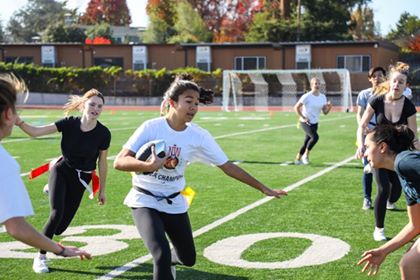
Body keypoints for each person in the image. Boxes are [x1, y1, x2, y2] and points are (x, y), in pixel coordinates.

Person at [113, 77, 287, 280]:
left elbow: (228, 166)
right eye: (188, 101)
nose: (194, 107)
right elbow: (119, 161)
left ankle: (172, 260)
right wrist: (148, 166)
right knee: (160, 253)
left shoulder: (199, 136)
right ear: (172, 102)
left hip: (174, 201)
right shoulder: (151, 127)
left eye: (196, 103)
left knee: (188, 258)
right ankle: (166, 261)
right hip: (145, 199)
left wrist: (263, 188)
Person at [0, 74, 91, 267]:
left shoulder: (101, 132)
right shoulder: (4, 163)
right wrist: (61, 249)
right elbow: (16, 227)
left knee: (61, 221)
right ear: (8, 114)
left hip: (77, 177)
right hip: (64, 171)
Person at [16, 88, 111, 273]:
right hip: (62, 170)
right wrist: (19, 122)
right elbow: (36, 132)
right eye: (92, 104)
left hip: (82, 178)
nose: (96, 109)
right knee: (56, 213)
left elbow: (103, 162)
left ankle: (50, 190)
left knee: (60, 228)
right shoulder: (69, 123)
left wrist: (102, 190)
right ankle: (40, 257)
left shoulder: (103, 133)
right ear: (83, 105)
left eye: (100, 106)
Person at [356, 62, 420, 241]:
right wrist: (361, 145)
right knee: (383, 188)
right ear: (389, 83)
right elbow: (362, 125)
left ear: (406, 86)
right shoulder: (377, 100)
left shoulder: (408, 106)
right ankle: (379, 229)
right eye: (395, 81)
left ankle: (391, 201)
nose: (397, 85)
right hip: (380, 151)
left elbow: (413, 135)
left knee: (397, 190)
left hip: (397, 154)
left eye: (401, 82)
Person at [358, 124, 420, 278]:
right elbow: (416, 224)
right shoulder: (403, 174)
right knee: (409, 263)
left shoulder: (404, 161)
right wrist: (383, 250)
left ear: (382, 147)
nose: (364, 153)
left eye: (367, 147)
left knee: (411, 262)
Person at [356, 66, 386, 210]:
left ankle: (387, 198)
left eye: (380, 75)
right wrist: (362, 126)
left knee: (385, 167)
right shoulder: (364, 94)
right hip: (367, 133)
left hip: (383, 133)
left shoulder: (388, 93)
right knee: (367, 167)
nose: (377, 78)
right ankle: (367, 198)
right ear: (369, 79)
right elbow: (359, 113)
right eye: (374, 76)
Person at [294, 77, 332, 165]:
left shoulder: (323, 97)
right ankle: (305, 156)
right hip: (305, 122)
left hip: (315, 122)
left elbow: (325, 112)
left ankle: (297, 159)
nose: (317, 85)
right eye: (315, 83)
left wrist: (329, 107)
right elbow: (296, 107)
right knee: (315, 137)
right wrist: (303, 117)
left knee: (307, 142)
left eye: (319, 83)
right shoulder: (307, 96)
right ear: (311, 85)